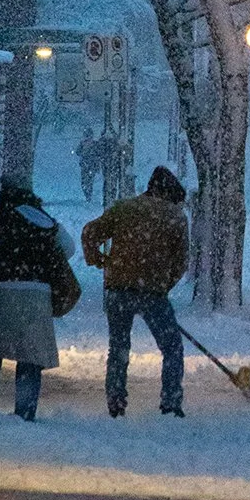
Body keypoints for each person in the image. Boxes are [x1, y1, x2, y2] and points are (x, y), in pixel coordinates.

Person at [81, 166, 189, 418]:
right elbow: (181, 262)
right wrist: (162, 285)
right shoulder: (175, 216)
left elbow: (89, 232)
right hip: (152, 292)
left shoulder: (123, 208)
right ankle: (170, 402)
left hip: (118, 288)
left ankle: (116, 401)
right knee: (172, 347)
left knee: (118, 346)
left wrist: (97, 259)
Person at [0, 179, 80, 420]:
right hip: (37, 296)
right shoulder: (47, 222)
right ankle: (26, 409)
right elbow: (69, 248)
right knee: (30, 355)